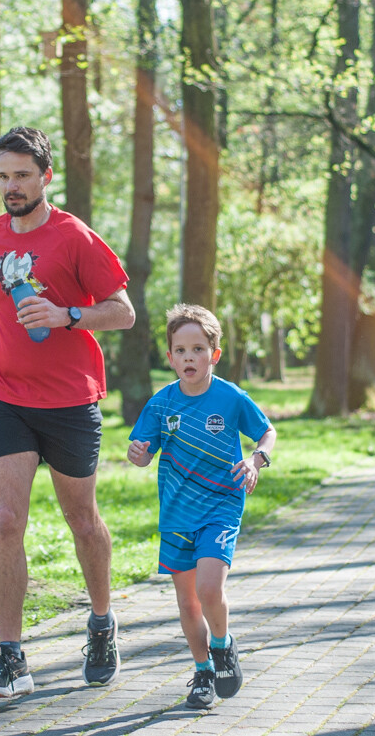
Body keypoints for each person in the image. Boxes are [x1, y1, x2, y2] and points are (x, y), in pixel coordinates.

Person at [0, 126, 136, 699]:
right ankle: (12, 660)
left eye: (23, 175)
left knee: (83, 520)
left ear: (46, 176)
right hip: (6, 394)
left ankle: (101, 623)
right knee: (6, 521)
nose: (12, 186)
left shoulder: (75, 236)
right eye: (4, 176)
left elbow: (123, 312)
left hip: (71, 400)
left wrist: (67, 316)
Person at [126, 304, 276, 710]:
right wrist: (138, 454)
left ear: (214, 354)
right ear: (170, 357)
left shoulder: (230, 397)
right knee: (188, 602)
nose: (189, 357)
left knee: (209, 589)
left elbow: (266, 432)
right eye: (180, 350)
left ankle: (222, 646)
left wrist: (255, 461)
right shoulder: (161, 404)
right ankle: (203, 671)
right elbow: (142, 452)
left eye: (197, 349)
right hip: (177, 513)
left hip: (221, 505)